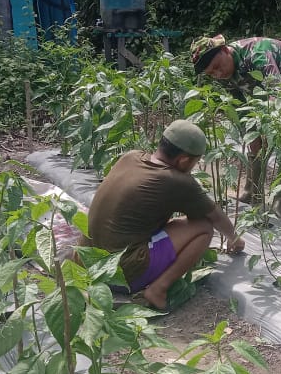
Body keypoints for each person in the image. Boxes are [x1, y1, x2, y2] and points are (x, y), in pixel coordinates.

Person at [85, 119, 245, 310]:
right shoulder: (176, 181)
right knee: (203, 228)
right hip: (120, 275)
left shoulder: (131, 156)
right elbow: (216, 217)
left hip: (88, 265)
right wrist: (234, 238)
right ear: (184, 160)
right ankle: (158, 289)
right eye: (195, 161)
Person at [190, 35, 281, 206]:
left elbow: (277, 93)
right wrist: (251, 136)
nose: (218, 74)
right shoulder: (224, 75)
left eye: (218, 67)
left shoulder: (257, 54)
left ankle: (279, 203)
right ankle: (252, 193)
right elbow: (240, 107)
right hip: (264, 90)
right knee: (254, 143)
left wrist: (268, 130)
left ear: (225, 50)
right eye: (212, 73)